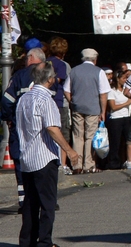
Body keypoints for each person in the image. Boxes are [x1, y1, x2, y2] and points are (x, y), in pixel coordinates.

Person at [16, 62, 79, 247]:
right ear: (50, 79)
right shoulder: (46, 100)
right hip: (44, 157)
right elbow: (52, 128)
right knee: (47, 204)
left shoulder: (24, 99)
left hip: (27, 157)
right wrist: (70, 150)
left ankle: (27, 241)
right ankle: (44, 241)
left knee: (30, 204)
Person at [1, 48, 46, 212]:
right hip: (43, 126)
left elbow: (6, 101)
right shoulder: (48, 75)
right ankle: (46, 199)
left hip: (20, 126)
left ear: (32, 58)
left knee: (21, 162)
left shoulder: (20, 76)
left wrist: (8, 118)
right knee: (43, 161)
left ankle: (24, 201)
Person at [63, 48, 111, 174]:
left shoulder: (74, 71)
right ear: (95, 59)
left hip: (77, 107)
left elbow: (66, 89)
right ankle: (88, 164)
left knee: (78, 135)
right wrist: (103, 111)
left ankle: (76, 165)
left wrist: (72, 102)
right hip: (93, 108)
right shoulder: (99, 72)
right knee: (90, 136)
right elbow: (103, 94)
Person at [47, 37, 72, 175]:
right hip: (59, 101)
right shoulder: (62, 65)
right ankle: (63, 164)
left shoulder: (45, 62)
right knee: (62, 133)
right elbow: (60, 80)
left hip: (46, 100)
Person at [106, 70, 131, 169]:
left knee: (128, 141)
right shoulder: (112, 91)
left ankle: (127, 160)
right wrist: (127, 103)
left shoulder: (126, 90)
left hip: (127, 117)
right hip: (116, 118)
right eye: (124, 78)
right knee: (115, 142)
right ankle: (114, 163)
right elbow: (113, 107)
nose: (125, 80)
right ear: (118, 78)